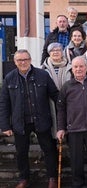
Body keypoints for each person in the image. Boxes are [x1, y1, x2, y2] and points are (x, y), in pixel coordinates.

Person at [0, 49, 59, 188]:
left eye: (25, 59)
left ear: (30, 60)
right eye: (19, 60)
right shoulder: (9, 78)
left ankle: (52, 178)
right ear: (15, 62)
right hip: (20, 122)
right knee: (21, 152)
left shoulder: (43, 75)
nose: (23, 62)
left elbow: (55, 95)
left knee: (49, 149)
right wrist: (5, 125)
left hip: (42, 120)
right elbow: (4, 103)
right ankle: (24, 179)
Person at [57, 56, 87, 188]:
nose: (78, 69)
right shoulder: (67, 87)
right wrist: (61, 128)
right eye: (75, 67)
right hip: (74, 128)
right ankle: (77, 182)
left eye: (81, 66)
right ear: (72, 69)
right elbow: (61, 109)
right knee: (76, 158)